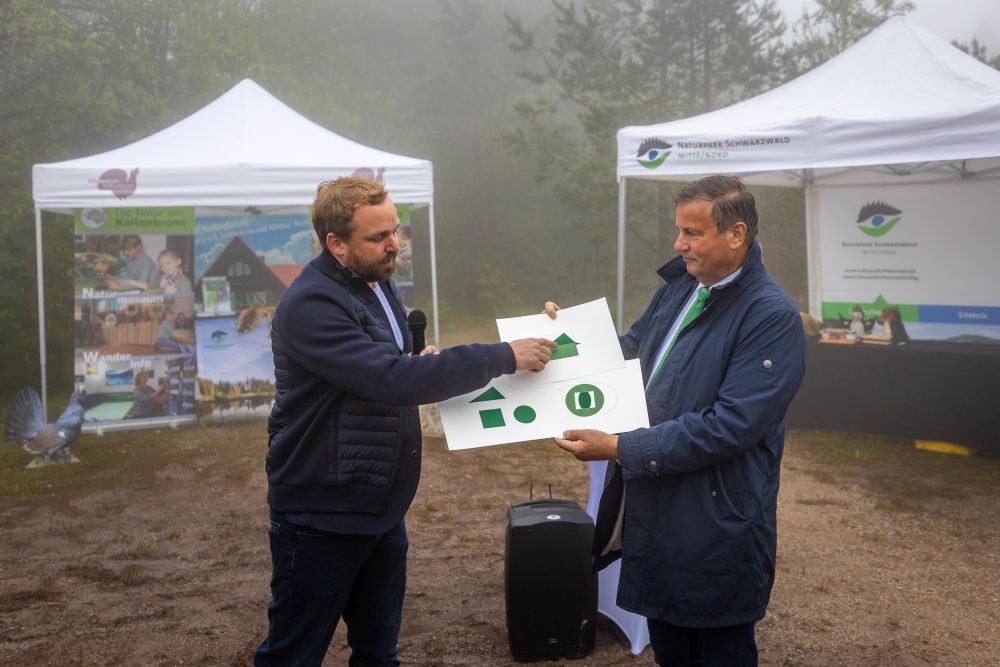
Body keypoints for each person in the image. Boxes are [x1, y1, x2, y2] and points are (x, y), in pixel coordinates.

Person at [254, 176, 556, 666]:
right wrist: (501, 356)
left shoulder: (377, 281)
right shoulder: (312, 303)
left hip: (379, 502)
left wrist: (418, 360)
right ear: (336, 244)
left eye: (396, 231)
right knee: (293, 655)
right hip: (320, 513)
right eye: (378, 237)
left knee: (378, 653)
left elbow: (390, 366)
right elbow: (390, 379)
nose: (394, 244)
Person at [544, 175, 806, 666]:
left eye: (692, 233)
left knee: (718, 647)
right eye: (679, 230)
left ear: (736, 234)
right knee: (673, 647)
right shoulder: (683, 288)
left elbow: (730, 425)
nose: (678, 244)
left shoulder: (771, 316)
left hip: (716, 520)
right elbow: (629, 354)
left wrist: (621, 448)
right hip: (660, 508)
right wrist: (562, 340)